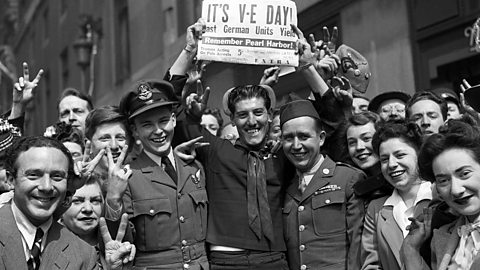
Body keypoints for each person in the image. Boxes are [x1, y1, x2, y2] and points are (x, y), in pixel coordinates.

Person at [106, 80, 209, 269]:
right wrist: (113, 199)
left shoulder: (194, 168)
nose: (158, 131)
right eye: (147, 125)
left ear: (173, 119)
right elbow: (120, 240)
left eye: (163, 121)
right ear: (135, 131)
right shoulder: (127, 177)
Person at [0, 136, 135, 270]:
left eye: (57, 176)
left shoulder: (83, 254)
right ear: (11, 180)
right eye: (34, 175)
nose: (46, 186)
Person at [280, 99, 366, 270]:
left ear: (321, 138)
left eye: (304, 136)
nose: (296, 145)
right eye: (289, 138)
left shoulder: (348, 178)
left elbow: (359, 244)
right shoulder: (285, 186)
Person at [400, 119, 480, 269]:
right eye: (443, 181)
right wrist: (411, 249)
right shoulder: (444, 236)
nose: (456, 190)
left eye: (464, 174)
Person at [361, 121, 432, 270]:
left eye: (400, 155)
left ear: (419, 154)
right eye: (384, 159)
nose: (392, 164)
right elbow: (371, 264)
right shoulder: (377, 209)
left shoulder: (439, 197)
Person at [344, 112, 393, 205]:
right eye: (352, 142)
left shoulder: (398, 179)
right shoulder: (349, 184)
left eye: (366, 139)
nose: (359, 147)